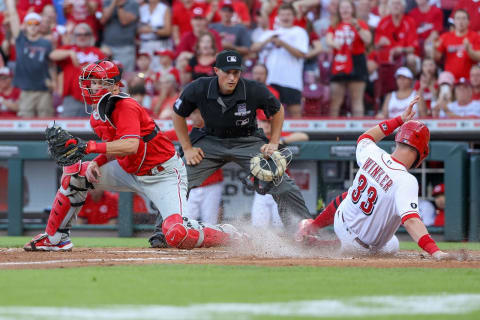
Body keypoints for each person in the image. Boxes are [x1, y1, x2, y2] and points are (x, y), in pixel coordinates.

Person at [23, 60, 246, 252]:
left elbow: (130, 145)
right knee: (75, 172)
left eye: (101, 82)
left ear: (114, 86)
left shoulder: (125, 105)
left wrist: (89, 148)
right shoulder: (96, 116)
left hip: (163, 174)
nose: (93, 87)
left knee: (177, 234)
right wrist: (97, 162)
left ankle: (228, 234)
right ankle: (55, 238)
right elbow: (115, 147)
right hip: (129, 170)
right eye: (92, 82)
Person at [172, 49, 311, 231]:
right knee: (176, 181)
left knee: (283, 184)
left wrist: (274, 141)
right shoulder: (199, 87)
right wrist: (187, 148)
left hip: (248, 141)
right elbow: (178, 113)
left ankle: (303, 231)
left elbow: (277, 110)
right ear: (216, 71)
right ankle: (164, 231)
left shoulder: (253, 89)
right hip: (211, 141)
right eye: (227, 72)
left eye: (236, 73)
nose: (232, 78)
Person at [297, 96, 451, 260]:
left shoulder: (373, 153)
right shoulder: (406, 180)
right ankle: (327, 244)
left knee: (353, 194)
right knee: (393, 243)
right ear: (422, 153)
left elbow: (365, 138)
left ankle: (312, 227)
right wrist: (435, 251)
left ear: (398, 139)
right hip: (360, 246)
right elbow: (411, 221)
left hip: (340, 220)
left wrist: (399, 120)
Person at [251, 110, 309, 229]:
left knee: (280, 227)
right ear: (257, 122)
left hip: (280, 188)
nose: (266, 124)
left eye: (269, 122)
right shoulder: (253, 137)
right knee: (258, 227)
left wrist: (281, 141)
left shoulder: (276, 136)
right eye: (263, 121)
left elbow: (304, 136)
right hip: (261, 190)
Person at [251, 3, 309, 118]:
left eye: (288, 14)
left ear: (294, 16)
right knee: (269, 116)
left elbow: (302, 54)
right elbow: (253, 48)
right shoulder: (270, 33)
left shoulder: (299, 32)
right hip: (270, 80)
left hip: (291, 80)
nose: (285, 17)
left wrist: (282, 43)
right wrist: (268, 40)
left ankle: (295, 136)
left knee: (295, 116)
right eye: (282, 14)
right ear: (278, 17)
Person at [6, 0, 54, 118]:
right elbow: (13, 16)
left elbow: (52, 65)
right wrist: (10, 4)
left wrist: (54, 82)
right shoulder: (20, 39)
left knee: (47, 125)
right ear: (25, 26)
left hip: (44, 90)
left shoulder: (47, 43)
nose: (32, 26)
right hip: (26, 91)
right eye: (30, 23)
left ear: (40, 25)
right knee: (26, 125)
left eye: (36, 23)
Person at [50, 23, 106, 117]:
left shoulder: (98, 53)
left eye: (86, 34)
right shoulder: (69, 48)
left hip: (93, 98)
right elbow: (52, 55)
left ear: (91, 36)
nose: (82, 37)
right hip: (71, 98)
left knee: (93, 129)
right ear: (74, 36)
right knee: (67, 129)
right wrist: (69, 53)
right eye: (79, 34)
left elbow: (106, 74)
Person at [326, 0, 371, 117]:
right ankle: (331, 132)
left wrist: (358, 27)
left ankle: (360, 134)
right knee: (335, 100)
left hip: (356, 61)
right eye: (342, 7)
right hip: (340, 61)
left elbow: (368, 39)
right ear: (339, 10)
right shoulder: (334, 25)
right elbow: (328, 40)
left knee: (356, 99)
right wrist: (335, 44)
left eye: (347, 7)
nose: (345, 10)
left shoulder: (360, 23)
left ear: (352, 10)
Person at [374, 0, 419, 72]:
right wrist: (380, 43)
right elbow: (375, 46)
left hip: (404, 56)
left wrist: (401, 50)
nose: (395, 6)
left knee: (411, 59)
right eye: (393, 4)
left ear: (403, 7)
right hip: (386, 56)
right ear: (389, 7)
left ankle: (410, 81)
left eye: (398, 3)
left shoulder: (409, 22)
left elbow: (412, 48)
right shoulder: (383, 22)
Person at [435, 9, 480, 81]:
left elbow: (479, 57)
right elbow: (437, 58)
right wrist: (433, 48)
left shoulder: (475, 36)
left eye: (464, 18)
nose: (460, 21)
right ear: (454, 21)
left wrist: (469, 50)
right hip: (450, 79)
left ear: (469, 22)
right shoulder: (445, 37)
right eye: (458, 18)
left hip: (470, 79)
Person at [100, 0, 139, 73]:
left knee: (124, 76)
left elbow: (124, 21)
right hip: (108, 47)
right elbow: (103, 19)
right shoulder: (108, 2)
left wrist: (119, 5)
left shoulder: (133, 3)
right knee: (104, 74)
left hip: (125, 48)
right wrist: (114, 2)